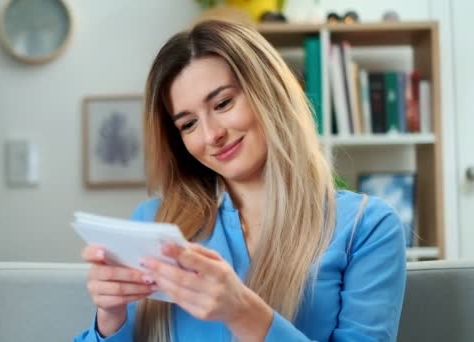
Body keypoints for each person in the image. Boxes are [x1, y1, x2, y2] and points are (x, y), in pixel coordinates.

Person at [74, 20, 406, 342]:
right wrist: (109, 320)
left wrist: (242, 312)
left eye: (223, 103)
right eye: (188, 124)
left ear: (270, 92)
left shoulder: (367, 228)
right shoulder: (152, 222)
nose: (211, 135)